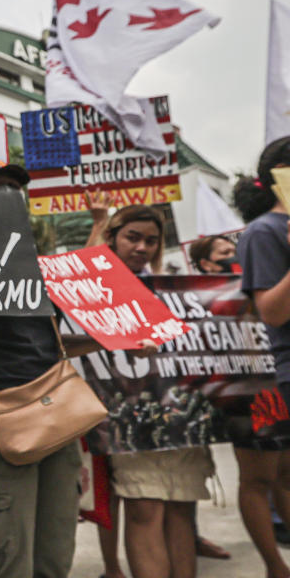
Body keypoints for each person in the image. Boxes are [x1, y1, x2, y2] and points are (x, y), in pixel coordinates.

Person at [0, 161, 154, 578]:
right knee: (5, 563)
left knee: (53, 559)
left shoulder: (34, 266)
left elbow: (77, 286)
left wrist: (117, 337)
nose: (10, 194)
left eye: (16, 187)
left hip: (54, 424)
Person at [91, 204, 215, 578]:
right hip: (128, 421)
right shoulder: (93, 286)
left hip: (181, 421)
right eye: (133, 237)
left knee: (181, 508)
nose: (143, 247)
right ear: (112, 237)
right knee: (145, 509)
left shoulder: (173, 292)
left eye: (151, 241)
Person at [233, 135, 290, 578]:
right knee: (262, 477)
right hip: (273, 380)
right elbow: (270, 310)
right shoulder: (263, 233)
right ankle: (275, 566)